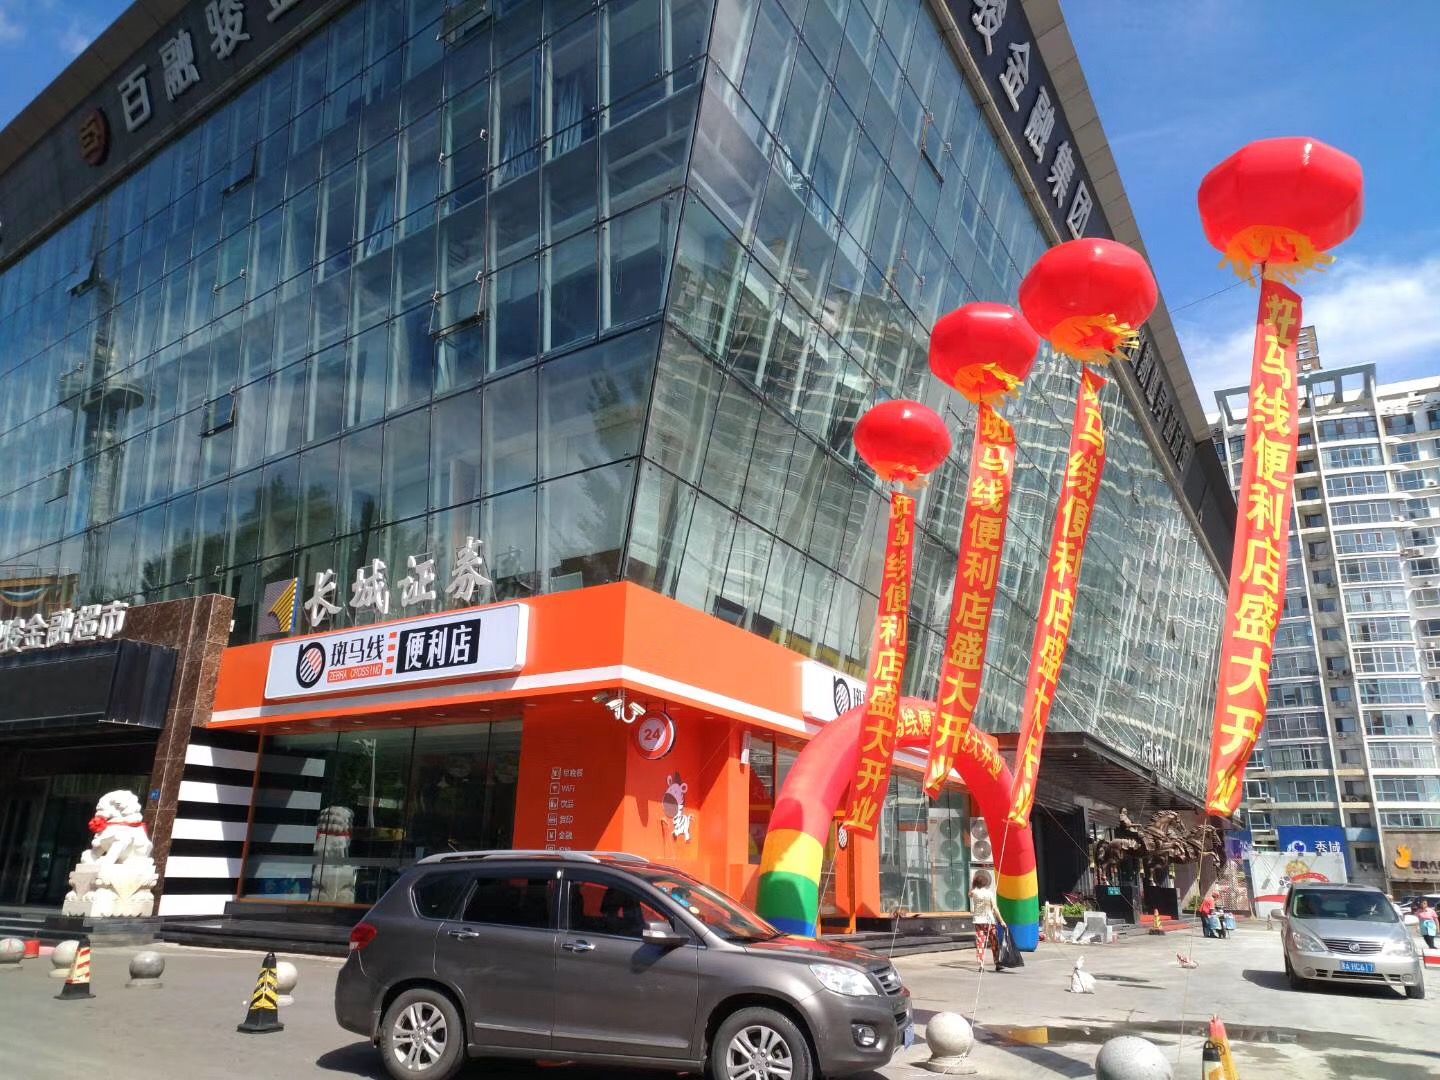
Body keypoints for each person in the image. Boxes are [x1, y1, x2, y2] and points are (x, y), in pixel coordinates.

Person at [970, 869, 1007, 972]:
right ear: (986, 882)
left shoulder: (974, 893)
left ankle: (981, 965)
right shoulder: (989, 893)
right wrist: (1001, 921)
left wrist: (973, 884)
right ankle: (997, 962)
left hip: (978, 921)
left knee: (980, 943)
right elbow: (995, 908)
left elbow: (970, 892)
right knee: (994, 942)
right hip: (990, 921)